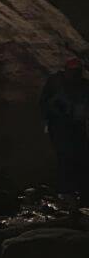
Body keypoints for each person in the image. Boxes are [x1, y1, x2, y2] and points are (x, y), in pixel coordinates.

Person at [41, 54, 89, 198]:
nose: (74, 75)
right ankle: (65, 190)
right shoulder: (55, 82)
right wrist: (48, 120)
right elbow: (44, 102)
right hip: (59, 125)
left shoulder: (84, 85)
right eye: (72, 71)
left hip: (77, 126)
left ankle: (78, 189)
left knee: (80, 156)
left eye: (77, 71)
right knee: (65, 156)